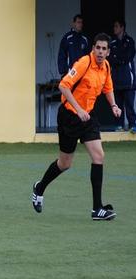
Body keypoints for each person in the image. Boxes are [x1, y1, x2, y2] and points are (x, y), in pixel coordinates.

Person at [32, 33, 122, 221]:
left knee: (99, 156)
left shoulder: (105, 66)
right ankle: (39, 188)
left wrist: (113, 105)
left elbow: (108, 88)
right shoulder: (83, 63)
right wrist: (78, 109)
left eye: (104, 49)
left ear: (108, 52)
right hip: (69, 117)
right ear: (93, 48)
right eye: (97, 47)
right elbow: (64, 86)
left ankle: (97, 209)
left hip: (88, 117)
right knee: (65, 163)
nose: (100, 51)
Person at [109, 20, 136, 132]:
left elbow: (128, 56)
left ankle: (132, 125)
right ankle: (118, 125)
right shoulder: (112, 42)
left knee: (129, 104)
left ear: (122, 28)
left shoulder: (130, 41)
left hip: (128, 80)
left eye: (116, 26)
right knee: (118, 104)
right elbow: (110, 58)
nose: (114, 28)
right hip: (116, 79)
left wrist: (118, 58)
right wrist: (118, 58)